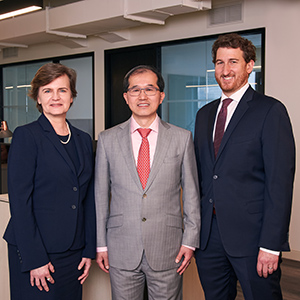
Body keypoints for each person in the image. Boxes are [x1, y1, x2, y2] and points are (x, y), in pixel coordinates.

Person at [194, 33, 295, 299]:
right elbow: (204, 175)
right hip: (208, 239)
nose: (225, 70)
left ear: (249, 66)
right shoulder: (204, 115)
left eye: (233, 62)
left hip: (253, 237)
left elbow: (279, 184)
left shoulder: (270, 111)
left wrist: (271, 245)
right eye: (219, 62)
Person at [95, 65, 200, 300]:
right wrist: (101, 244)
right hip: (121, 247)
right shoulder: (107, 139)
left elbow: (192, 193)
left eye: (150, 89)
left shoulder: (182, 138)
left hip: (168, 247)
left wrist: (190, 241)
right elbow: (100, 195)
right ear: (126, 97)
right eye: (135, 90)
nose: (142, 96)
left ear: (161, 96)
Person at [3, 63, 96, 300]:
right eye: (47, 91)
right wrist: (35, 259)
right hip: (38, 250)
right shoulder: (27, 136)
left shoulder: (83, 140)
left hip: (74, 251)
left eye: (62, 90)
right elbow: (20, 202)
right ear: (37, 97)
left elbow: (87, 198)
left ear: (72, 96)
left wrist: (88, 249)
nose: (56, 97)